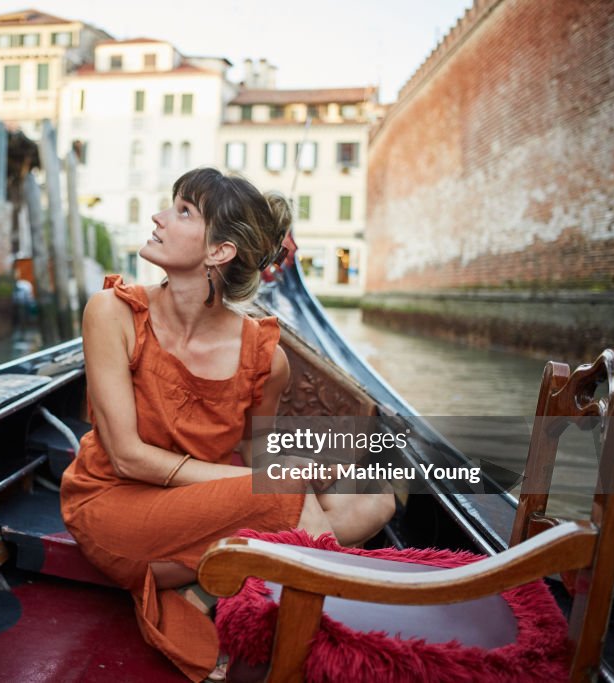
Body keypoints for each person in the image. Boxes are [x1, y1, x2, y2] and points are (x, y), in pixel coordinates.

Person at [60, 168, 395, 682]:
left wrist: (299, 468)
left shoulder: (266, 358)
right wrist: (274, 485)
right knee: (279, 496)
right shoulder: (113, 313)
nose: (159, 217)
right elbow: (128, 456)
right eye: (172, 206)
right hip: (113, 503)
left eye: (184, 211)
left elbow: (258, 456)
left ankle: (206, 583)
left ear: (219, 253)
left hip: (194, 510)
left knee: (377, 498)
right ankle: (326, 645)